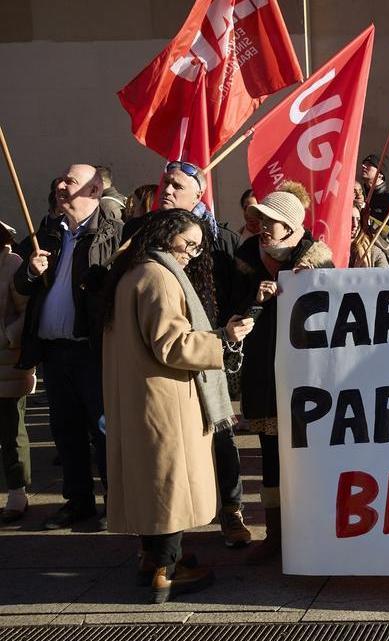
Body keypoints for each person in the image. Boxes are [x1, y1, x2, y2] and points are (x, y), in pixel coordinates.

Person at [101, 208, 254, 602]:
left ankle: (152, 560)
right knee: (170, 484)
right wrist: (224, 338)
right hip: (166, 399)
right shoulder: (159, 277)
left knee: (151, 483)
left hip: (139, 397)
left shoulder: (130, 272)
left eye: (198, 247)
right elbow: (171, 344)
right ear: (165, 235)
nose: (191, 253)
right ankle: (166, 571)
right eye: (188, 243)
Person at [120, 161, 251, 548]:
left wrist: (226, 334)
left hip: (209, 351)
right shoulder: (138, 233)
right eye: (165, 183)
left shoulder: (220, 238)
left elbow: (237, 290)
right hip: (166, 358)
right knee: (169, 452)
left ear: (199, 193)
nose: (167, 190)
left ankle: (231, 511)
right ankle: (163, 544)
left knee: (221, 435)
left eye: (177, 185)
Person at [16, 164, 122, 530]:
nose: (61, 185)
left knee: (103, 430)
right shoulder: (47, 232)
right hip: (53, 352)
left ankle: (117, 502)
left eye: (70, 181)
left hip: (92, 352)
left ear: (94, 191)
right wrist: (30, 271)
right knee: (66, 431)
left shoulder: (112, 234)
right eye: (60, 179)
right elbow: (21, 284)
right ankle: (78, 503)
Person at [235, 181, 334, 563]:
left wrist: (316, 282)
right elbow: (232, 311)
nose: (263, 227)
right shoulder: (246, 258)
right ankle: (275, 537)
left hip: (308, 379)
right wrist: (255, 301)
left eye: (271, 221)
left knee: (308, 459)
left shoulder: (317, 259)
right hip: (263, 373)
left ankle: (313, 533)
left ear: (291, 226)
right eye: (260, 220)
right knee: (271, 457)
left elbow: (337, 315)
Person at [0, 223, 34, 523]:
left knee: (12, 431)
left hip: (6, 364)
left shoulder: (12, 264)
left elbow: (27, 311)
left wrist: (8, 336)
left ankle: (17, 492)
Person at [349, 181, 389, 268]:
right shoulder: (328, 250)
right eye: (354, 192)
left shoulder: (374, 253)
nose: (359, 195)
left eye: (360, 191)